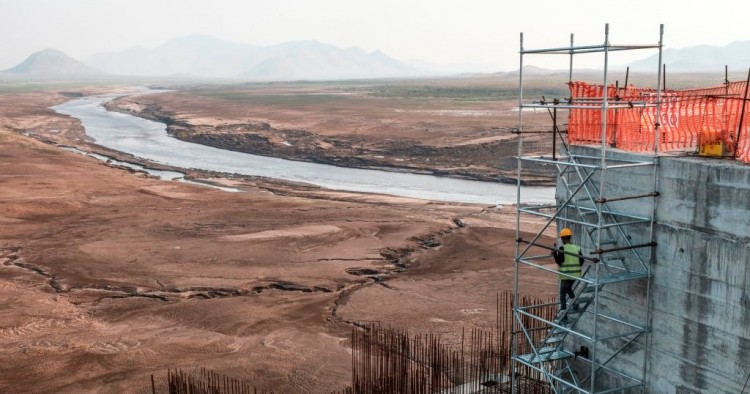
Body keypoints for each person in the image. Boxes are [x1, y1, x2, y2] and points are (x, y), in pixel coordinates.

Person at [552, 228, 583, 314]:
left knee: (562, 292)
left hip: (566, 274)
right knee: (568, 288)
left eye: (562, 238)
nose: (561, 240)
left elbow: (559, 262)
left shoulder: (563, 248)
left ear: (563, 238)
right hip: (576, 274)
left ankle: (563, 310)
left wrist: (554, 253)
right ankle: (575, 302)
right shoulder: (577, 248)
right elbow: (581, 261)